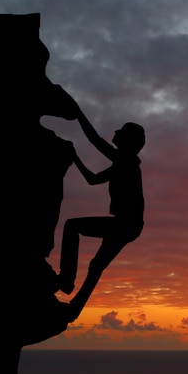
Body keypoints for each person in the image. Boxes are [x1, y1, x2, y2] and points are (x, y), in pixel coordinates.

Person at [58, 101, 145, 322]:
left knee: (72, 226)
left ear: (128, 142)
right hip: (129, 225)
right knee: (97, 265)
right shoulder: (122, 164)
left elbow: (95, 140)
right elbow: (92, 179)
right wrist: (74, 156)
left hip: (126, 224)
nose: (115, 132)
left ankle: (67, 280)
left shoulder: (125, 161)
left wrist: (78, 113)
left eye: (121, 131)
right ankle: (74, 307)